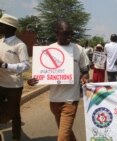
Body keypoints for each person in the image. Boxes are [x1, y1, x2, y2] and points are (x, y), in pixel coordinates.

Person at [27, 20, 89, 141]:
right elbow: (41, 74)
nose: (69, 36)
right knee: (66, 133)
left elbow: (85, 71)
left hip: (70, 100)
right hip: (54, 100)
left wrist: (84, 77)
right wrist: (33, 81)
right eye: (66, 33)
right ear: (57, 33)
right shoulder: (48, 50)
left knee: (62, 137)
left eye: (71, 33)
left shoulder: (79, 49)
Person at [0, 13, 30, 141]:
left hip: (14, 86)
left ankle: (16, 138)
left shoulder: (20, 45)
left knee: (15, 114)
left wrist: (6, 65)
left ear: (10, 28)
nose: (0, 26)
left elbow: (25, 66)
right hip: (0, 83)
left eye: (2, 25)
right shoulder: (0, 41)